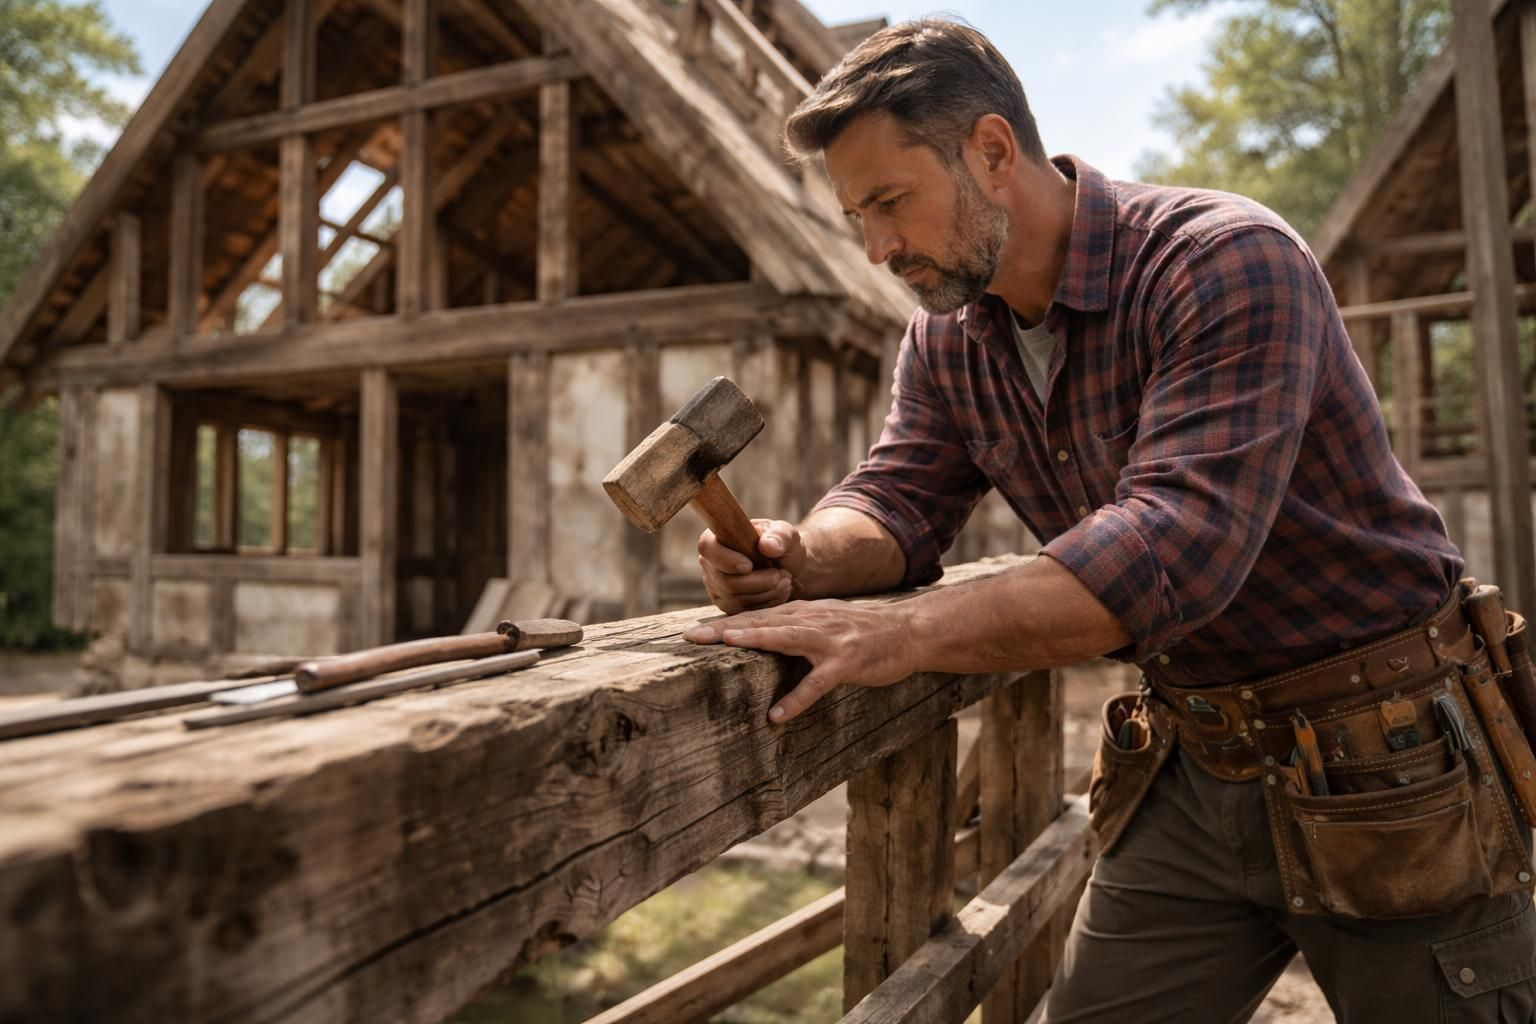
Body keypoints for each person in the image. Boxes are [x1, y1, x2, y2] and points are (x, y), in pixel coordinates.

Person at [679, 17, 1536, 1023]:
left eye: (889, 202)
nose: (875, 248)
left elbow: (1172, 549)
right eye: (855, 215)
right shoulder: (950, 338)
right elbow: (899, 496)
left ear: (994, 153)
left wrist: (898, 633)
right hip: (1195, 749)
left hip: (1389, 760)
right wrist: (803, 556)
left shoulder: (1226, 261)